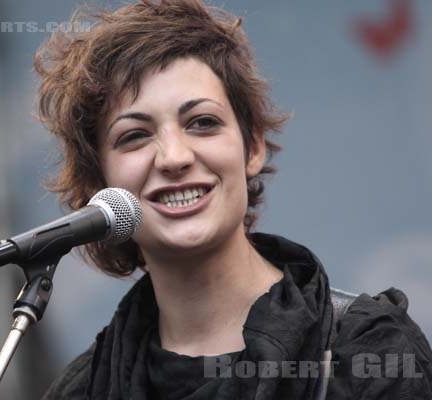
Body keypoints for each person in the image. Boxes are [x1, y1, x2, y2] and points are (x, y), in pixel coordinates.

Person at [33, 1, 432, 398]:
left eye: (202, 123)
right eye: (134, 135)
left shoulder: (366, 352)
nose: (174, 157)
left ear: (253, 147)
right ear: (98, 184)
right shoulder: (83, 390)